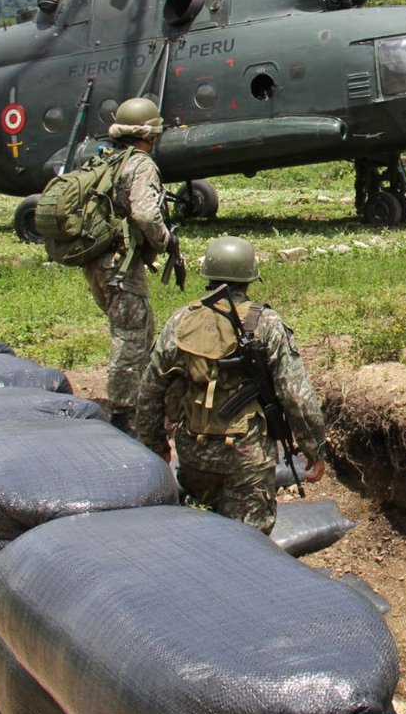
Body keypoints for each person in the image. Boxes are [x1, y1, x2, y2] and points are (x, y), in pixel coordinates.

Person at [135, 236, 328, 533]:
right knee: (250, 547)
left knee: (202, 537)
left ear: (208, 275)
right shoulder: (267, 324)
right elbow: (297, 396)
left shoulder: (181, 321)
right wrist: (313, 450)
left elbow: (150, 389)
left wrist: (156, 446)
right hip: (246, 461)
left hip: (194, 455)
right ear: (249, 277)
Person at [85, 96, 175, 434]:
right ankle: (124, 417)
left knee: (136, 328)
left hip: (98, 261)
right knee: (131, 334)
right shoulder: (140, 164)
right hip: (119, 266)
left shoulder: (107, 160)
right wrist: (164, 240)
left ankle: (139, 401)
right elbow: (145, 213)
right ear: (148, 135)